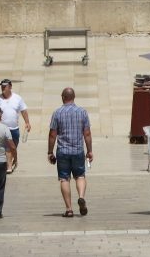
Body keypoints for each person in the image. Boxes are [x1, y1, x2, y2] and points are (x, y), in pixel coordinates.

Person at [47, 87, 93, 217]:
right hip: (78, 150)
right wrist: (89, 151)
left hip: (63, 151)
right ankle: (81, 196)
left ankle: (69, 209)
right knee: (80, 176)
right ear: (74, 97)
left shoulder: (57, 113)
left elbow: (52, 134)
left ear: (63, 97)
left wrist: (50, 152)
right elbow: (87, 133)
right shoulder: (82, 112)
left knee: (64, 178)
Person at [0, 79, 30, 173]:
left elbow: (23, 111)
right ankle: (8, 166)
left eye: (5, 87)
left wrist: (27, 122)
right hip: (2, 128)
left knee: (13, 148)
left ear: (10, 87)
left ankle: (10, 161)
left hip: (14, 128)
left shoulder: (17, 98)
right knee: (7, 148)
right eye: (2, 87)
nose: (3, 88)